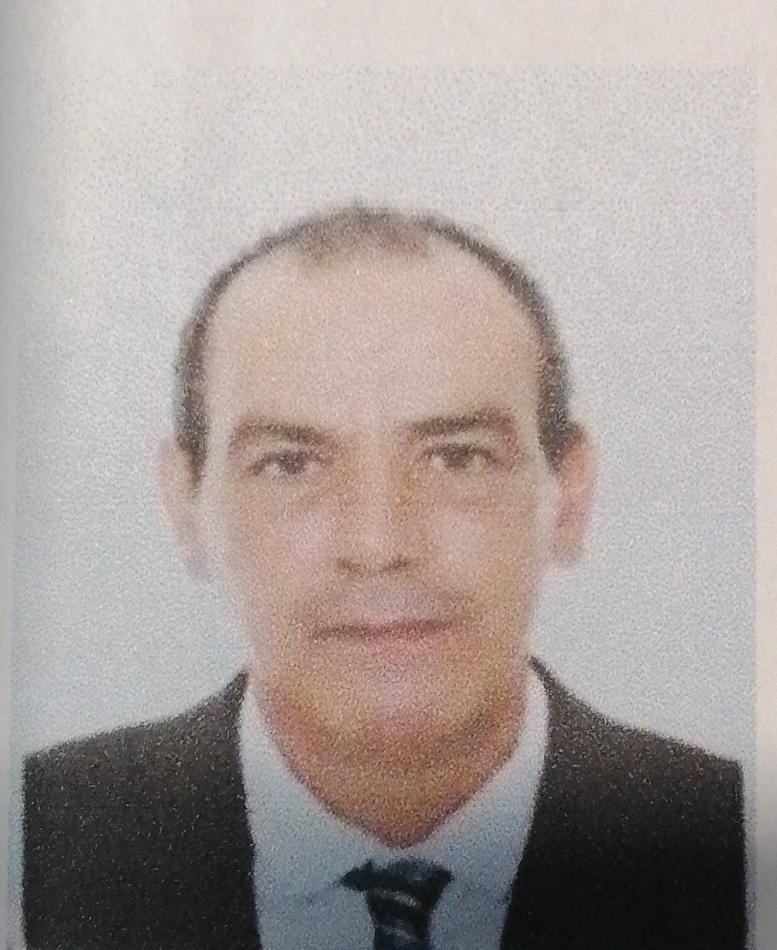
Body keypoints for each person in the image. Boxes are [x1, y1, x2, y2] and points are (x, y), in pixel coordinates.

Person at [23, 206, 746, 950]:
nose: (378, 543)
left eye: (458, 458)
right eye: (290, 464)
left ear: (568, 496)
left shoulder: (737, 846)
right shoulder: (33, 844)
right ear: (186, 505)